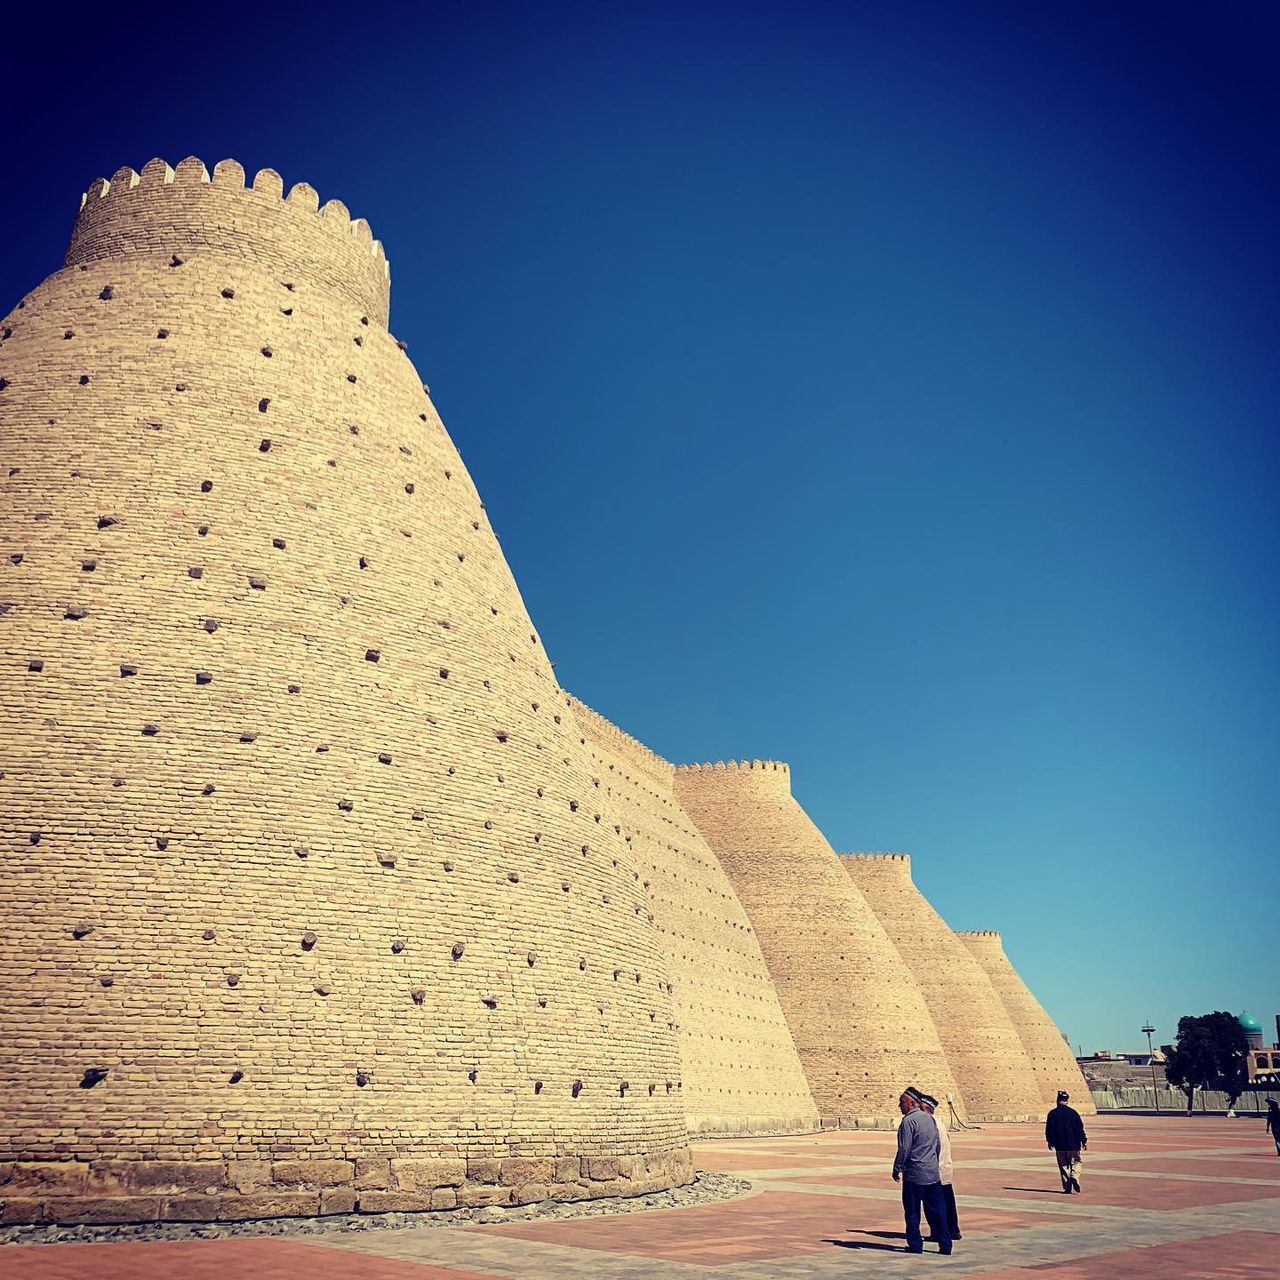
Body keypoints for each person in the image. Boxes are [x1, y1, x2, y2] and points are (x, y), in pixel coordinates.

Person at [892, 1086, 952, 1255]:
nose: (899, 1106)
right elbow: (937, 1145)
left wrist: (897, 1168)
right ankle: (945, 1245)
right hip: (932, 1174)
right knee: (938, 1211)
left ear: (912, 1103)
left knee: (912, 1212)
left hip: (914, 1175)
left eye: (902, 1102)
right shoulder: (930, 1119)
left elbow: (904, 1148)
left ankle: (915, 1245)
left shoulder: (908, 1122)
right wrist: (932, 1162)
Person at [919, 1092, 960, 1240]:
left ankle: (939, 1233)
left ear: (925, 1108)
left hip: (935, 1170)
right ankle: (953, 1230)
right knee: (948, 1201)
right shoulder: (939, 1122)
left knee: (934, 1205)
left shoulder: (930, 1123)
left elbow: (933, 1147)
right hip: (944, 1168)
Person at [1045, 1089, 1088, 1193]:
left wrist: (1050, 1142)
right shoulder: (1073, 1113)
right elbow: (1079, 1128)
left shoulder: (1052, 1114)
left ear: (1057, 1100)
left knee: (1063, 1165)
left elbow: (1049, 1130)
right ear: (1067, 1100)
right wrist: (1084, 1141)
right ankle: (1074, 1177)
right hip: (1073, 1144)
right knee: (1077, 1162)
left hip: (1059, 1145)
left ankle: (1067, 1187)